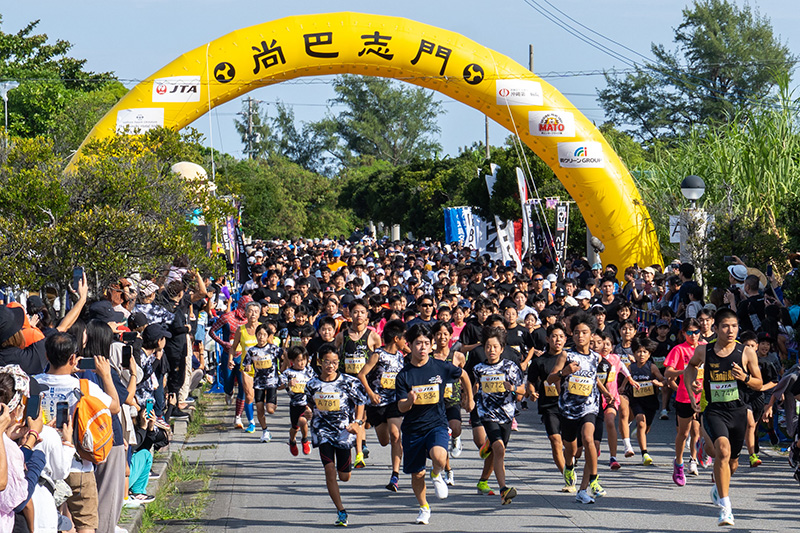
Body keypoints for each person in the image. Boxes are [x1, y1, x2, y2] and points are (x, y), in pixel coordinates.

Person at [684, 308, 763, 527]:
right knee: (723, 450)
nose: (731, 330)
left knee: (733, 462)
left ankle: (718, 487)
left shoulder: (746, 352)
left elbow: (759, 383)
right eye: (726, 326)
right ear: (715, 328)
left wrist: (745, 377)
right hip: (714, 410)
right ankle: (726, 509)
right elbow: (690, 368)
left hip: (738, 410)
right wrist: (692, 392)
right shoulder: (705, 351)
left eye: (734, 326)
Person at [36, 332, 119, 533]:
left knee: (46, 521)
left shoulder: (32, 383)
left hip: (41, 464)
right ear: (73, 358)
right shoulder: (84, 386)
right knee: (86, 523)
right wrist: (105, 375)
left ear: (47, 356)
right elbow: (114, 406)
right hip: (78, 465)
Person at [395, 324, 474, 525]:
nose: (423, 347)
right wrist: (410, 401)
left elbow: (463, 375)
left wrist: (469, 398)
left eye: (426, 343)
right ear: (409, 345)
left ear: (431, 346)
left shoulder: (440, 366)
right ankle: (423, 507)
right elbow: (402, 407)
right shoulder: (404, 375)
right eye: (418, 343)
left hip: (436, 423)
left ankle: (437, 473)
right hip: (413, 428)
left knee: (439, 456)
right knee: (417, 473)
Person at [305, 343, 366, 527]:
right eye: (326, 362)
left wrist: (358, 422)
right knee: (329, 469)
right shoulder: (312, 384)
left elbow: (360, 402)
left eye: (334, 362)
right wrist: (308, 412)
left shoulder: (349, 382)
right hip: (322, 431)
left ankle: (348, 467)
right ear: (319, 362)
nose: (330, 366)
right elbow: (308, 404)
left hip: (343, 433)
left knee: (344, 476)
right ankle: (341, 510)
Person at [547, 312, 605, 504]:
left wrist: (605, 392)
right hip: (568, 408)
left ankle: (592, 482)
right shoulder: (567, 354)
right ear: (572, 335)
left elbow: (592, 378)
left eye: (585, 332)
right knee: (572, 449)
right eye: (577, 332)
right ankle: (569, 465)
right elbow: (551, 378)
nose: (581, 336)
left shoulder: (596, 357)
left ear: (592, 335)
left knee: (590, 440)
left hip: (590, 406)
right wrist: (565, 372)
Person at [472, 327, 524, 505]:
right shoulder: (479, 369)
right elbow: (473, 390)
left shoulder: (510, 367)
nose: (491, 350)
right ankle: (504, 489)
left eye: (495, 347)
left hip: (507, 415)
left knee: (498, 452)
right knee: (499, 449)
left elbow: (522, 391)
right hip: (487, 414)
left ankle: (487, 447)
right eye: (488, 347)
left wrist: (513, 389)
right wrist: (472, 395)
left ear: (502, 348)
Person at [357, 319, 407, 491]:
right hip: (377, 403)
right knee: (385, 441)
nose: (405, 342)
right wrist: (371, 394)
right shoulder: (378, 355)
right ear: (396, 339)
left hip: (394, 401)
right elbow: (362, 374)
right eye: (404, 339)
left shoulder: (401, 356)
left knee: (395, 435)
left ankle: (395, 475)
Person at [335, 299, 381, 468]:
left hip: (366, 384)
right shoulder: (342, 335)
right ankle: (359, 449)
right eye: (355, 312)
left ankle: (361, 441)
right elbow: (334, 354)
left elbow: (379, 358)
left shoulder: (373, 336)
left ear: (367, 315)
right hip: (347, 384)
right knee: (355, 417)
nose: (358, 315)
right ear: (350, 314)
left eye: (362, 312)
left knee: (365, 420)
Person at [663, 318, 705, 485]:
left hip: (704, 396)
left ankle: (696, 458)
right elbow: (668, 373)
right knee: (684, 433)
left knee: (702, 431)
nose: (693, 336)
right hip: (685, 396)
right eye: (689, 332)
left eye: (696, 332)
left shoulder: (705, 348)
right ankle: (679, 463)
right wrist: (686, 371)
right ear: (683, 333)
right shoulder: (679, 350)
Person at [527, 324, 569, 485]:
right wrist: (532, 392)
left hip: (569, 405)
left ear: (565, 339)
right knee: (554, 439)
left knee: (569, 443)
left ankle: (570, 463)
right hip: (549, 405)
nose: (557, 340)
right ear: (547, 339)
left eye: (560, 336)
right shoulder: (539, 361)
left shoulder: (571, 358)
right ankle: (567, 475)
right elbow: (530, 382)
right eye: (554, 336)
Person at [627, 337, 666, 466]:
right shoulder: (631, 367)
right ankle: (645, 453)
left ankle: (639, 432)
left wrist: (658, 383)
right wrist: (622, 388)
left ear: (649, 354)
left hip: (650, 401)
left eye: (644, 352)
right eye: (638, 352)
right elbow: (626, 380)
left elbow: (663, 380)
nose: (641, 354)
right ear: (634, 353)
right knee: (640, 421)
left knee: (645, 427)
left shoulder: (652, 367)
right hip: (636, 400)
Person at [241, 322, 282, 441]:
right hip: (258, 382)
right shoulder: (252, 351)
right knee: (259, 408)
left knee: (270, 410)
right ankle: (265, 431)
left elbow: (285, 358)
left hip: (272, 382)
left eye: (264, 335)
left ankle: (273, 404)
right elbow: (245, 364)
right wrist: (247, 367)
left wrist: (284, 370)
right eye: (259, 334)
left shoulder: (273, 349)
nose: (261, 337)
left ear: (268, 336)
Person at [229, 301, 262, 432]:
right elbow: (233, 348)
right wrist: (230, 360)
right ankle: (251, 422)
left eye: (256, 311)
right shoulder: (241, 330)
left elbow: (271, 346)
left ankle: (261, 418)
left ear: (259, 314)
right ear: (245, 313)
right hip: (247, 368)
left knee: (261, 398)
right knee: (249, 395)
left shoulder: (263, 329)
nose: (253, 314)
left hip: (262, 368)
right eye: (250, 311)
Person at [280, 345, 316, 456]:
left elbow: (316, 383)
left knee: (303, 421)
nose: (302, 363)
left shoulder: (309, 371)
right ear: (292, 361)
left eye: (304, 360)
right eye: (299, 361)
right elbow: (277, 386)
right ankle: (292, 440)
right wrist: (287, 384)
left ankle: (305, 440)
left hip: (307, 404)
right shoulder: (288, 373)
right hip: (295, 404)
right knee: (294, 428)